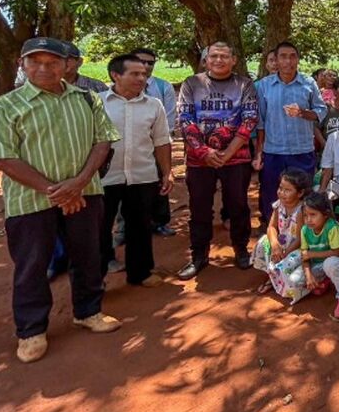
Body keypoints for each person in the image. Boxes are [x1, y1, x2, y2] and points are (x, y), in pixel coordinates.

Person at [0, 37, 121, 364]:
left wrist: (78, 184)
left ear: (67, 65)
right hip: (31, 201)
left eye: (52, 62)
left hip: (86, 194)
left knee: (88, 255)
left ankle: (88, 311)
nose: (43, 68)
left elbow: (103, 142)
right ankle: (31, 330)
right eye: (34, 61)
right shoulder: (5, 106)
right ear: (22, 64)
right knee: (32, 265)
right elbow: (5, 159)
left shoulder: (87, 99)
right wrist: (57, 191)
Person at [176, 41, 258, 280]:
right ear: (206, 60)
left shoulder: (245, 84)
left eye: (224, 56)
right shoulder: (192, 84)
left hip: (236, 158)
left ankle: (241, 250)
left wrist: (229, 152)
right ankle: (199, 256)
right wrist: (204, 152)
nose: (219, 60)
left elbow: (249, 119)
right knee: (199, 209)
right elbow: (185, 119)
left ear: (233, 60)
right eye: (214, 56)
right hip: (199, 160)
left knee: (239, 206)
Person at [99, 54, 173, 287]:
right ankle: (96, 277)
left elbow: (161, 140)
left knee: (140, 226)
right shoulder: (97, 103)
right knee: (99, 229)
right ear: (115, 75)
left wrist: (167, 172)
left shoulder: (153, 105)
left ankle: (140, 273)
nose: (142, 77)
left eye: (144, 73)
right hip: (103, 178)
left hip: (143, 174)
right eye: (135, 73)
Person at [253, 41, 327, 224]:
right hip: (273, 152)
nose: (288, 61)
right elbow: (260, 122)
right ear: (275, 60)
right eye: (283, 56)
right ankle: (272, 235)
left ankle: (303, 235)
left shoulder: (308, 83)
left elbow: (321, 111)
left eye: (292, 56)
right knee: (271, 195)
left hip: (302, 151)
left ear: (298, 59)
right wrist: (259, 152)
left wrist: (303, 112)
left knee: (303, 195)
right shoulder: (263, 86)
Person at [132, 47, 177, 236]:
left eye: (151, 62)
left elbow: (169, 117)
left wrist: (162, 142)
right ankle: (130, 225)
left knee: (160, 182)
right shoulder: (119, 85)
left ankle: (160, 222)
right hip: (131, 145)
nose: (146, 66)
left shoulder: (163, 86)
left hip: (156, 144)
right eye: (142, 61)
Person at [252, 169, 311, 304]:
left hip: (296, 248)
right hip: (281, 245)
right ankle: (272, 277)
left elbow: (300, 238)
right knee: (263, 242)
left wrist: (285, 252)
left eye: (287, 190)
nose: (281, 193)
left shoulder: (301, 210)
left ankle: (279, 280)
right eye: (280, 188)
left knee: (284, 266)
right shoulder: (278, 206)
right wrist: (274, 245)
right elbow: (271, 227)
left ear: (300, 193)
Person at [300, 192, 339, 320]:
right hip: (318, 264)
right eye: (305, 215)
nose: (308, 219)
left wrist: (311, 254)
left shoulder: (333, 228)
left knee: (330, 264)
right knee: (298, 280)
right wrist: (308, 276)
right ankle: (324, 280)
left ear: (325, 214)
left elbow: (337, 252)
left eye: (313, 215)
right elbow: (304, 256)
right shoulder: (304, 230)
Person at [316, 76, 339, 148]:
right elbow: (315, 127)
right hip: (330, 152)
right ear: (335, 91)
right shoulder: (326, 108)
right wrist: (324, 143)